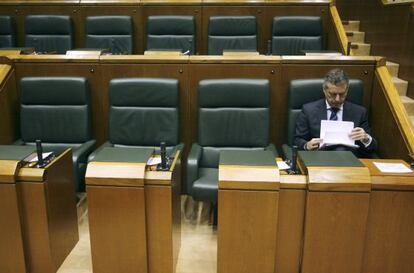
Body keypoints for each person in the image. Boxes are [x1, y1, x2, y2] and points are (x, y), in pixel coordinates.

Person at [294, 68, 377, 157]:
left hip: (349, 161)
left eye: (342, 94)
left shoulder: (359, 112)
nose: (337, 99)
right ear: (324, 90)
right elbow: (298, 140)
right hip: (319, 160)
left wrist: (366, 139)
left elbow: (372, 148)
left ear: (347, 90)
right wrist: (307, 145)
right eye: (333, 94)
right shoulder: (308, 110)